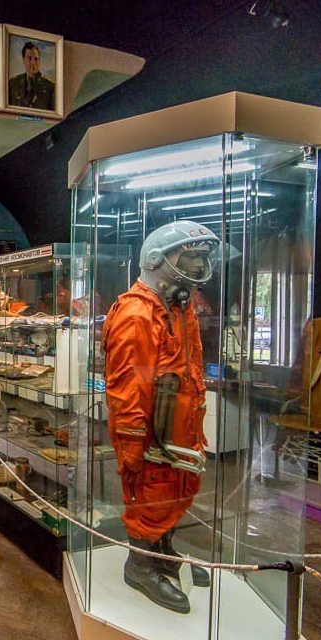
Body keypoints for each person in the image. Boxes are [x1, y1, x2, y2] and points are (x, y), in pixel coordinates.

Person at [102, 221, 219, 615]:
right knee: (150, 492)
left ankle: (161, 549)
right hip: (150, 431)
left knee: (176, 489)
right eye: (190, 256)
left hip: (177, 427)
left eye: (201, 256)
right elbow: (128, 386)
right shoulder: (137, 313)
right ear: (157, 260)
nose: (198, 264)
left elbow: (190, 367)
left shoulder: (178, 308)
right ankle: (139, 564)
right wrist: (133, 441)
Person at [8, 41, 55, 111]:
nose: (33, 62)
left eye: (36, 59)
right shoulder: (13, 83)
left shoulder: (50, 86)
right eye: (29, 58)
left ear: (39, 60)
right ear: (23, 60)